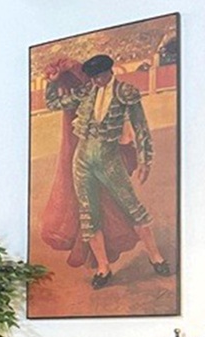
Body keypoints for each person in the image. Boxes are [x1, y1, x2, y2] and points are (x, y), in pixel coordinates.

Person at [45, 53, 170, 289]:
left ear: (108, 72)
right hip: (82, 159)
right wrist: (52, 83)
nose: (95, 81)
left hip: (109, 158)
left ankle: (156, 257)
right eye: (92, 77)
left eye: (99, 77)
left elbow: (141, 127)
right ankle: (103, 268)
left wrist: (145, 161)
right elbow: (53, 104)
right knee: (88, 215)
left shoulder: (126, 92)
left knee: (132, 206)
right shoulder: (87, 91)